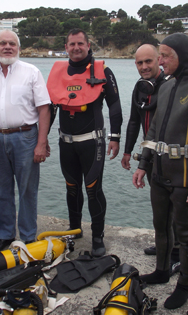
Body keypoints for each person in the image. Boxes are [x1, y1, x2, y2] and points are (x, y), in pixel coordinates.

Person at [132, 33, 188, 309]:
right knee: (161, 226)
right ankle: (161, 271)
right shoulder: (167, 87)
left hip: (185, 179)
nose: (160, 61)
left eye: (165, 56)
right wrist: (143, 165)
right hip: (159, 174)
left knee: (186, 234)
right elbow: (155, 129)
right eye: (159, 56)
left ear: (181, 56)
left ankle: (184, 284)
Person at [0, 30, 51, 252]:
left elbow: (44, 108)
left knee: (27, 189)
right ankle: (5, 236)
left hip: (25, 137)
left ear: (18, 48)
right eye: (2, 43)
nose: (7, 47)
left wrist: (41, 143)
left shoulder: (31, 72)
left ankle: (27, 237)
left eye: (12, 44)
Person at [47, 29, 122, 257]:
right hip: (66, 142)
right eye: (72, 44)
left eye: (80, 43)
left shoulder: (103, 71)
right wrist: (42, 139)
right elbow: (50, 108)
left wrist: (115, 138)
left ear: (88, 45)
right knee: (71, 187)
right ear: (66, 47)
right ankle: (75, 229)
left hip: (93, 142)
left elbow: (115, 106)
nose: (76, 47)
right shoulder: (59, 72)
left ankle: (97, 236)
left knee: (93, 190)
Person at [122, 44, 181, 262]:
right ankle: (163, 243)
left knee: (176, 205)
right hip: (151, 154)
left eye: (149, 61)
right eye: (140, 63)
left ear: (159, 60)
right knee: (159, 205)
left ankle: (177, 251)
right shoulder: (140, 88)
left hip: (171, 156)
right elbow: (134, 120)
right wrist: (127, 151)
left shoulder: (173, 85)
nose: (144, 66)